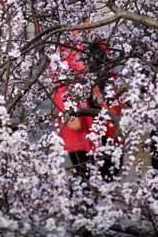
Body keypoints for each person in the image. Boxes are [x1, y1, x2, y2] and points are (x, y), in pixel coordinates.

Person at [52, 40, 123, 182]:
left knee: (108, 176)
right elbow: (59, 81)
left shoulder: (97, 39)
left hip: (104, 114)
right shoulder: (64, 47)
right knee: (86, 181)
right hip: (80, 115)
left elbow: (110, 69)